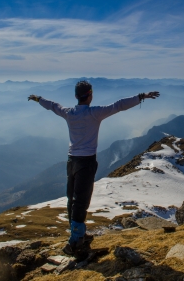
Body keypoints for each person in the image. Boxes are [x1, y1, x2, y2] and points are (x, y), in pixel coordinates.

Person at [28, 80, 159, 256]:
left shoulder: (69, 113)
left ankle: (78, 234)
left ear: (76, 96)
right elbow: (118, 105)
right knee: (81, 201)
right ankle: (75, 241)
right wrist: (141, 96)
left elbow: (53, 106)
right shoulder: (94, 113)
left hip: (71, 162)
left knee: (72, 199)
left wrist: (38, 99)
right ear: (89, 95)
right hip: (87, 162)